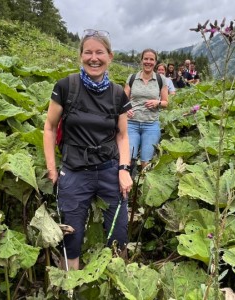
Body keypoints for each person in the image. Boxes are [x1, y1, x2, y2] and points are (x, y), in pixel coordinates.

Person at [43, 29, 133, 270]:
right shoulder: (66, 87)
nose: (94, 58)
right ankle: (72, 284)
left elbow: (122, 135)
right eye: (88, 52)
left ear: (110, 57)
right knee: (71, 234)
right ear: (81, 56)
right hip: (74, 170)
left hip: (109, 170)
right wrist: (51, 167)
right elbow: (50, 127)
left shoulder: (117, 94)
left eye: (100, 52)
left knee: (119, 231)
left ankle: (117, 281)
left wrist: (124, 169)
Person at [124, 48, 168, 168]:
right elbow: (123, 99)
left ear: (155, 62)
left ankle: (142, 182)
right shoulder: (132, 77)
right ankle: (127, 185)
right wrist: (126, 108)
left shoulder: (160, 79)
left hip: (151, 124)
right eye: (146, 59)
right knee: (128, 158)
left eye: (151, 59)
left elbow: (166, 102)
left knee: (146, 161)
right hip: (131, 123)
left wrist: (157, 102)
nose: (148, 62)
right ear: (141, 60)